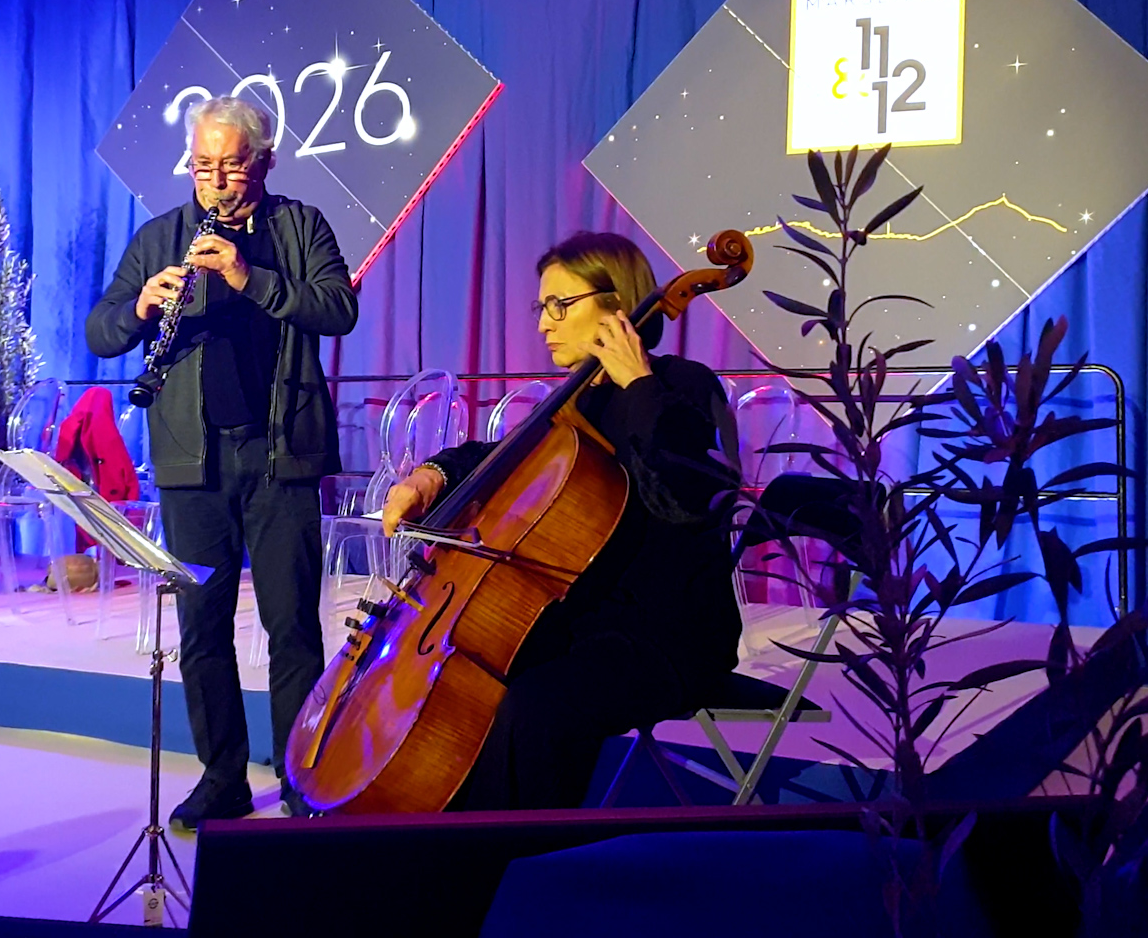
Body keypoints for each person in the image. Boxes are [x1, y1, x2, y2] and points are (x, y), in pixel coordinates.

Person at [380, 231, 745, 810]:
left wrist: (638, 384)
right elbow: (499, 455)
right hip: (586, 620)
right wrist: (431, 475)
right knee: (473, 682)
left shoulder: (683, 386)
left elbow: (689, 499)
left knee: (536, 705)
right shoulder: (576, 403)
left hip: (668, 635)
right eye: (541, 306)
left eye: (560, 305)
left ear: (617, 304)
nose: (544, 323)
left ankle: (524, 853)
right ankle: (442, 840)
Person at [88, 96, 357, 828]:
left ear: (264, 163)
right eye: (202, 166)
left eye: (231, 166)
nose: (215, 180)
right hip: (192, 465)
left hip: (279, 457)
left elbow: (338, 309)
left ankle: (302, 777)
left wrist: (248, 277)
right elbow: (100, 331)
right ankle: (222, 778)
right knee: (202, 630)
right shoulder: (160, 236)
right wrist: (140, 308)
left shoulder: (300, 226)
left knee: (291, 626)